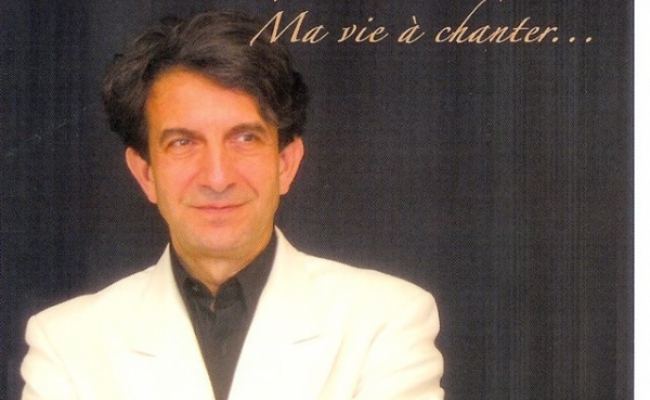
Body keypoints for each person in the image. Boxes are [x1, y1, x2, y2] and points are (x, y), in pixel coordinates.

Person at [20, 11, 444, 400]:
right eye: (183, 143)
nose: (218, 178)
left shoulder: (386, 321)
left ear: (286, 164)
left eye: (244, 138)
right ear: (145, 174)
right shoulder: (67, 344)